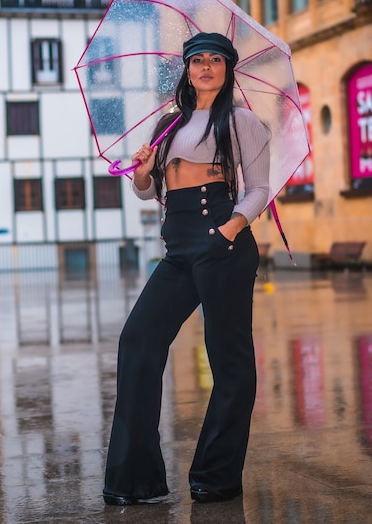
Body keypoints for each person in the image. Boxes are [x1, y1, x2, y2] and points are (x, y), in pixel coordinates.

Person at [103, 32, 271, 506]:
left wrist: (229, 230)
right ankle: (135, 478)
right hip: (176, 247)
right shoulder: (168, 124)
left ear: (228, 68)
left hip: (222, 241)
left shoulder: (240, 121)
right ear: (187, 69)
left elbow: (259, 188)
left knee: (228, 358)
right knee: (137, 341)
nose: (206, 67)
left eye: (216, 59)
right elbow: (146, 190)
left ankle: (216, 475)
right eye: (197, 60)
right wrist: (141, 169)